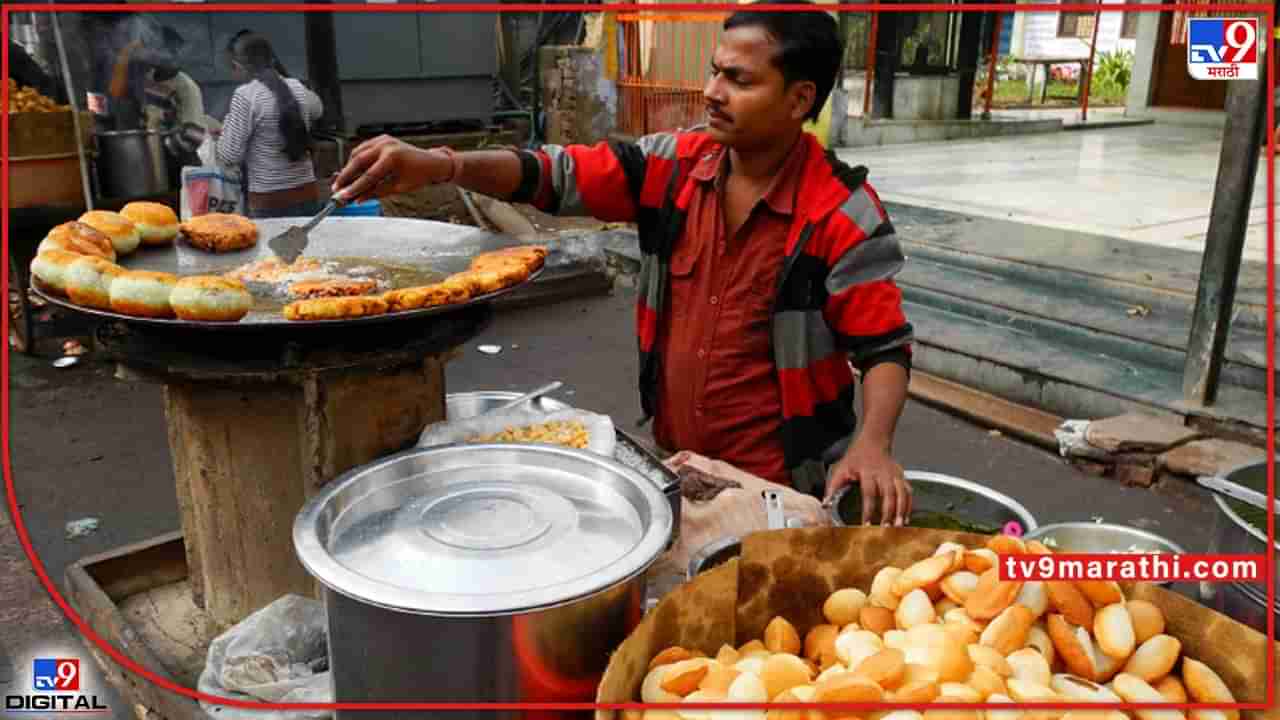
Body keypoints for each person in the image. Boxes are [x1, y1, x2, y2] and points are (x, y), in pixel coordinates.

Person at [332, 0, 916, 526]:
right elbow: (554, 174)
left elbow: (883, 347)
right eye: (715, 70)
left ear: (799, 99)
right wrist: (443, 166)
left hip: (780, 489)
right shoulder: (675, 166)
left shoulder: (842, 213)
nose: (712, 90)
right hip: (681, 466)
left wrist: (874, 443)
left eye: (738, 79)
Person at [216, 31, 324, 218]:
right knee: (306, 247)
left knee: (271, 248)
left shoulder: (246, 94)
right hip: (307, 193)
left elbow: (229, 155)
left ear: (238, 66)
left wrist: (226, 125)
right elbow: (317, 111)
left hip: (269, 200)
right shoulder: (297, 86)